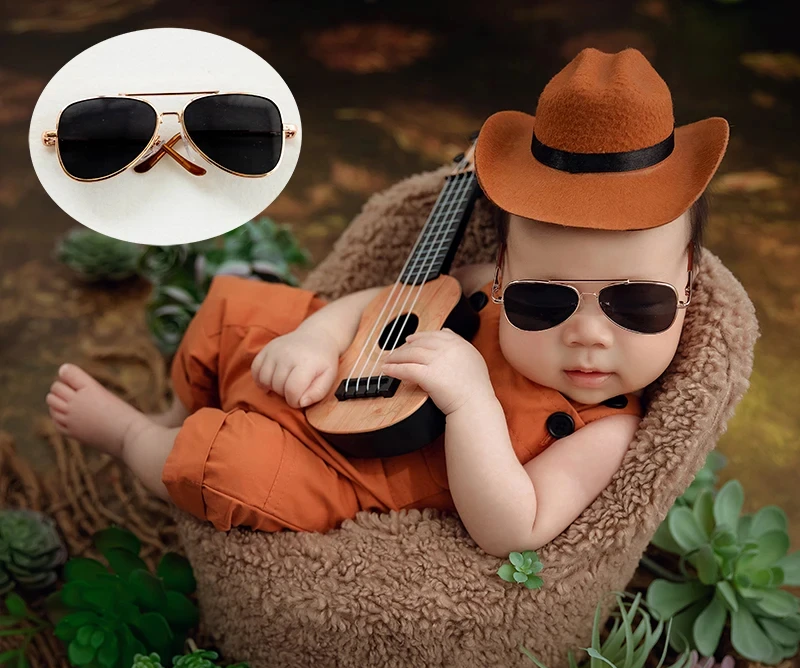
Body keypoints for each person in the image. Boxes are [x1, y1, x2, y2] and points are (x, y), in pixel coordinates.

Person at [45, 47, 728, 558]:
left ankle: (135, 438)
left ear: (688, 281)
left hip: (355, 470)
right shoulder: (486, 278)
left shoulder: (604, 430)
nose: (587, 334)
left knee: (229, 470)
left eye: (636, 305)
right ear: (509, 268)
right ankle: (179, 406)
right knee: (235, 311)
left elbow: (513, 528)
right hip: (336, 367)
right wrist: (317, 336)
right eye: (542, 301)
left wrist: (473, 403)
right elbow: (397, 297)